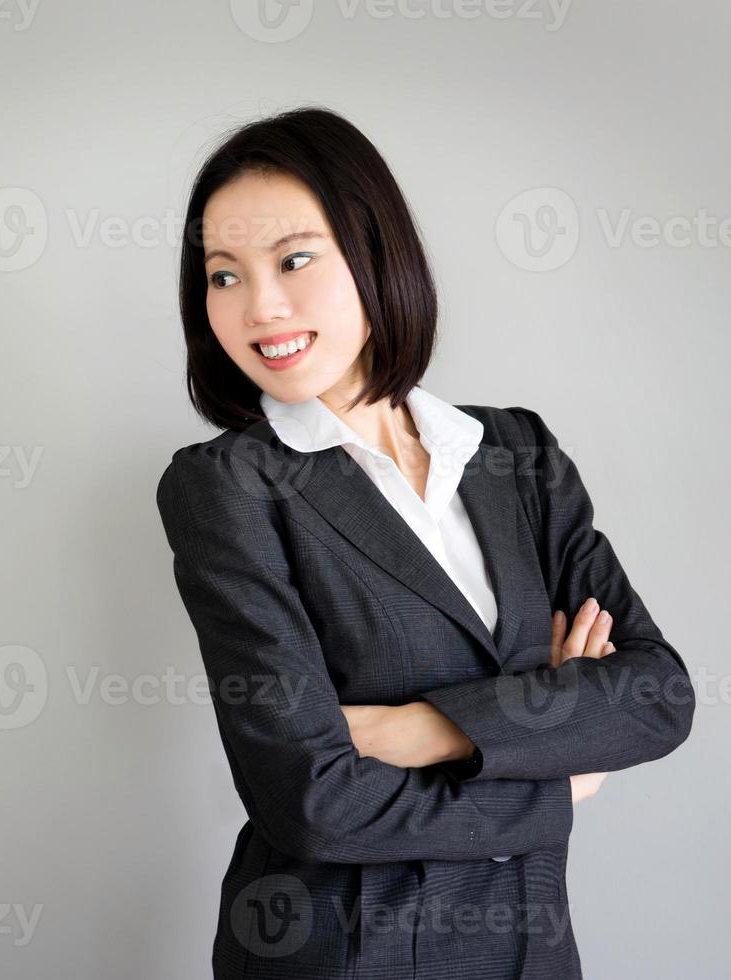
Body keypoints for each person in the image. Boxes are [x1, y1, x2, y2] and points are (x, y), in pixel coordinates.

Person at [155, 105, 695, 979]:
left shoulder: (514, 452)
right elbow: (314, 800)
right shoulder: (227, 485)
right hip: (340, 952)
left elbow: (657, 695)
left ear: (376, 254)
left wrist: (426, 729)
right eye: (224, 276)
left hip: (530, 947)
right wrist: (557, 764)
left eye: (294, 259)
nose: (260, 306)